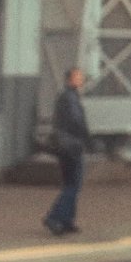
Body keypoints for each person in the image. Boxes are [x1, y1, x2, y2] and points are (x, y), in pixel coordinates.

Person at [45, 68, 90, 236]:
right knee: (73, 184)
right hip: (72, 146)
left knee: (70, 183)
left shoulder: (66, 97)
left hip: (64, 145)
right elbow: (77, 121)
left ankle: (67, 220)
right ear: (70, 80)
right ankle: (54, 217)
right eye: (78, 77)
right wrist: (88, 139)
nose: (82, 79)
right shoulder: (70, 98)